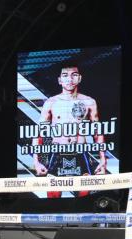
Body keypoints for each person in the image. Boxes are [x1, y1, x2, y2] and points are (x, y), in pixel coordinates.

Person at [33, 65, 106, 197]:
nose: (70, 79)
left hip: (80, 151)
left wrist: (103, 159)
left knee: (84, 196)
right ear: (59, 80)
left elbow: (98, 132)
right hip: (57, 152)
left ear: (79, 78)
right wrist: (36, 162)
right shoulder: (51, 102)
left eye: (74, 75)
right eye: (65, 75)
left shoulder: (89, 102)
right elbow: (38, 133)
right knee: (53, 197)